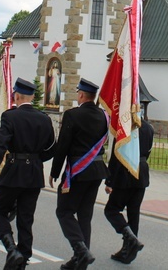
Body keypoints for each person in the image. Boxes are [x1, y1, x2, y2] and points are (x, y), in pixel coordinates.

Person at [0, 77, 56, 270]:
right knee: (26, 218)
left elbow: (0, 147)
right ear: (32, 97)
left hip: (13, 171)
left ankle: (12, 249)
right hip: (34, 173)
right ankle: (22, 261)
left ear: (16, 95)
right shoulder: (44, 118)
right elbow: (51, 147)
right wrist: (36, 159)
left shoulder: (10, 116)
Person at [49, 78, 108, 270]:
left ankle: (81, 251)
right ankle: (81, 261)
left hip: (78, 172)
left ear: (81, 95)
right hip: (97, 171)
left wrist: (54, 172)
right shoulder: (104, 116)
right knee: (84, 215)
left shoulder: (72, 115)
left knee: (64, 211)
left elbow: (63, 145)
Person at [104, 117, 155, 264]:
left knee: (111, 210)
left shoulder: (124, 127)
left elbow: (116, 154)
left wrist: (109, 180)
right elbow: (148, 151)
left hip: (124, 172)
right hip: (142, 172)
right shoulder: (148, 128)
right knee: (133, 212)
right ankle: (129, 250)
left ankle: (130, 239)